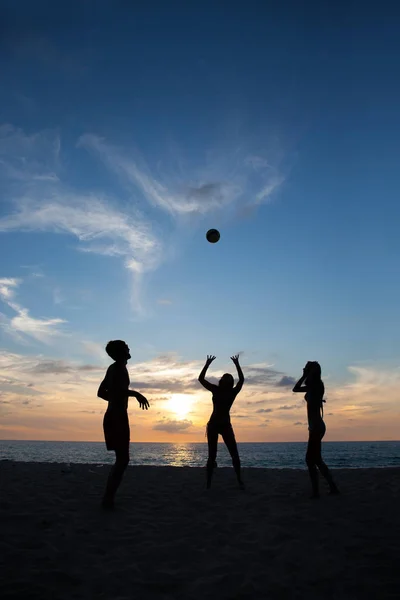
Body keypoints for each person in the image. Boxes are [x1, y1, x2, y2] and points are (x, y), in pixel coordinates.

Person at [97, 340, 149, 509]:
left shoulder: (114, 368)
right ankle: (107, 499)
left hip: (114, 415)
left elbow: (101, 392)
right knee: (123, 459)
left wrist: (116, 398)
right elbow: (114, 391)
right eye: (126, 347)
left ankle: (108, 498)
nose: (129, 348)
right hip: (116, 417)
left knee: (122, 459)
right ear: (120, 352)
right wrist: (135, 394)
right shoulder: (117, 368)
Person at [293, 361, 339, 498]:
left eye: (309, 369)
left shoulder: (317, 385)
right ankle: (332, 487)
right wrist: (304, 375)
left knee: (310, 459)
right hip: (314, 426)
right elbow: (295, 389)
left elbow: (297, 389)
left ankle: (316, 492)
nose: (306, 370)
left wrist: (305, 374)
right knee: (316, 459)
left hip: (317, 426)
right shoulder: (312, 386)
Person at [198, 354, 245, 490]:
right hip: (213, 425)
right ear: (222, 380)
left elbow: (241, 380)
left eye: (228, 377)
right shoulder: (216, 390)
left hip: (225, 425)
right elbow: (201, 379)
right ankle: (208, 483)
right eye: (224, 377)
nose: (225, 378)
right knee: (212, 455)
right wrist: (207, 364)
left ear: (230, 382)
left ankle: (239, 479)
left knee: (234, 454)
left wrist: (237, 364)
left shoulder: (233, 392)